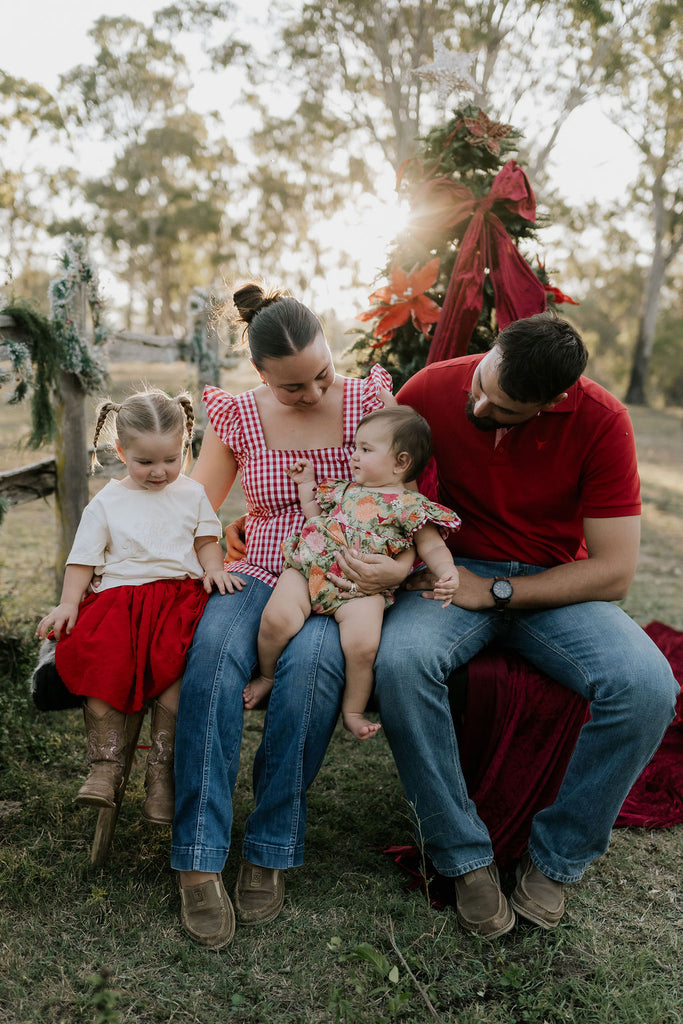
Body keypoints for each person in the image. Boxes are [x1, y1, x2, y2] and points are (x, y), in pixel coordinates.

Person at [331, 311, 676, 938]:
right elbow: (394, 501)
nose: (479, 402)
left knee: (649, 687)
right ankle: (463, 857)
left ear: (552, 402)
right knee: (404, 663)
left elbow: (616, 572)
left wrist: (497, 591)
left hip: (553, 587)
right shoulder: (432, 390)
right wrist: (405, 568)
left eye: (504, 406)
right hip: (446, 573)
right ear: (493, 348)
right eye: (484, 380)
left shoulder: (603, 422)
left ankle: (558, 858)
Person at [171, 281, 406, 948]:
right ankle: (197, 856)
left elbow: (408, 490)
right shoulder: (239, 415)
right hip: (254, 572)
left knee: (308, 676)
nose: (312, 394)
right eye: (292, 387)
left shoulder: (367, 399)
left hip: (335, 581)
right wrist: (216, 550)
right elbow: (194, 506)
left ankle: (270, 844)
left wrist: (393, 567)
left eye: (321, 375)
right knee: (213, 661)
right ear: (260, 374)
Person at [36, 388, 242, 825]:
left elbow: (206, 541)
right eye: (144, 462)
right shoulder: (108, 501)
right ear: (120, 450)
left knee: (178, 671)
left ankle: (161, 775)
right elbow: (83, 560)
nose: (159, 472)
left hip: (177, 600)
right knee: (97, 657)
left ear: (184, 446)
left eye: (170, 459)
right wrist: (67, 603)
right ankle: (106, 767)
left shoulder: (191, 494)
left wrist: (214, 568)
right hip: (119, 602)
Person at [243, 406, 461, 739]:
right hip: (309, 570)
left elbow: (432, 547)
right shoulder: (344, 490)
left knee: (362, 646)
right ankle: (268, 676)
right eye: (356, 447)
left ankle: (354, 710)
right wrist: (306, 484)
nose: (354, 456)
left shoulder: (412, 506)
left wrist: (448, 573)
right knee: (276, 619)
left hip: (363, 591)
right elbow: (313, 513)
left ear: (400, 463)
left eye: (365, 449)